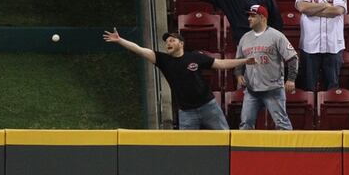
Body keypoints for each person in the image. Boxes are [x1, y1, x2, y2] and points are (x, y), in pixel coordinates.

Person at [103, 28, 249, 129]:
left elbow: (222, 64)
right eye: (167, 42)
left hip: (208, 107)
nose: (168, 43)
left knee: (225, 138)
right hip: (186, 112)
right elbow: (140, 50)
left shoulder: (195, 57)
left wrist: (244, 61)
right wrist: (120, 40)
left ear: (181, 44)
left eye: (172, 40)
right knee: (185, 148)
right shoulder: (163, 60)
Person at [234, 5, 298, 130]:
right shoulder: (245, 38)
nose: (249, 19)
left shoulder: (276, 36)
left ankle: (288, 149)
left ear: (262, 18)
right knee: (245, 124)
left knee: (282, 124)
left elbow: (292, 58)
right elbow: (239, 60)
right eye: (249, 16)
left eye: (253, 16)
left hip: (273, 89)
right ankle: (245, 150)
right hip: (251, 90)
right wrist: (239, 74)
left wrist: (291, 79)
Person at [294, 0, 347, 92]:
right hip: (310, 45)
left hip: (333, 46)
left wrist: (312, 11)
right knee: (308, 87)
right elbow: (302, 8)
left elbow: (337, 11)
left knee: (332, 87)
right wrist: (324, 5)